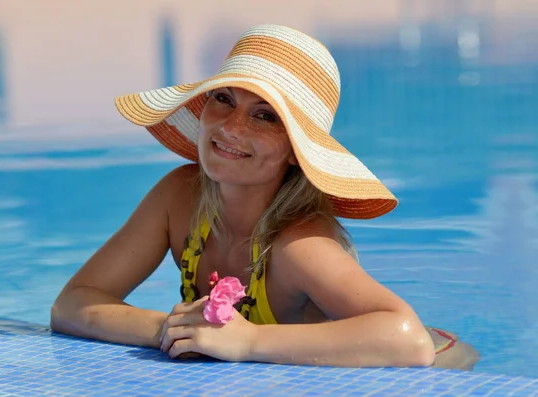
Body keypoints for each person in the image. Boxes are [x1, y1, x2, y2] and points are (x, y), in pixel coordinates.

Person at [50, 24, 479, 370]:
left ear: (296, 150)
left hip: (429, 365)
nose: (231, 128)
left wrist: (249, 339)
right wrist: (177, 327)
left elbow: (409, 340)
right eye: (223, 99)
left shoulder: (298, 243)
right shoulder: (179, 197)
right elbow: (73, 303)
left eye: (265, 116)